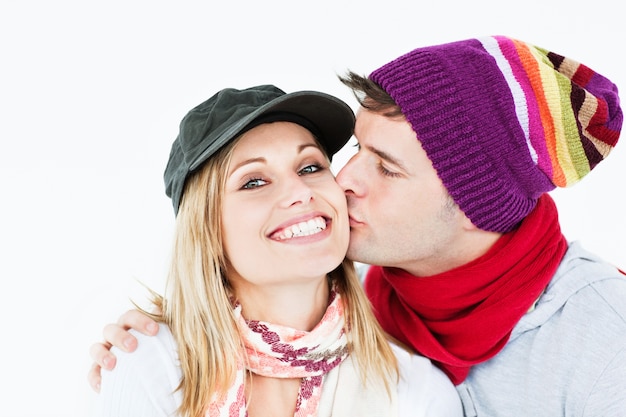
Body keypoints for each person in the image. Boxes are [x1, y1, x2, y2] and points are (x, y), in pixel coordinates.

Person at [90, 36, 626, 417]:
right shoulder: (369, 296)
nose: (338, 181)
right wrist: (161, 333)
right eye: (354, 149)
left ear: (474, 207)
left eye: (386, 166)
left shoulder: (605, 344)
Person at [91, 84, 462, 417]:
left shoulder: (415, 392)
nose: (301, 192)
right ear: (206, 229)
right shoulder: (151, 362)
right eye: (254, 181)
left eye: (311, 166)